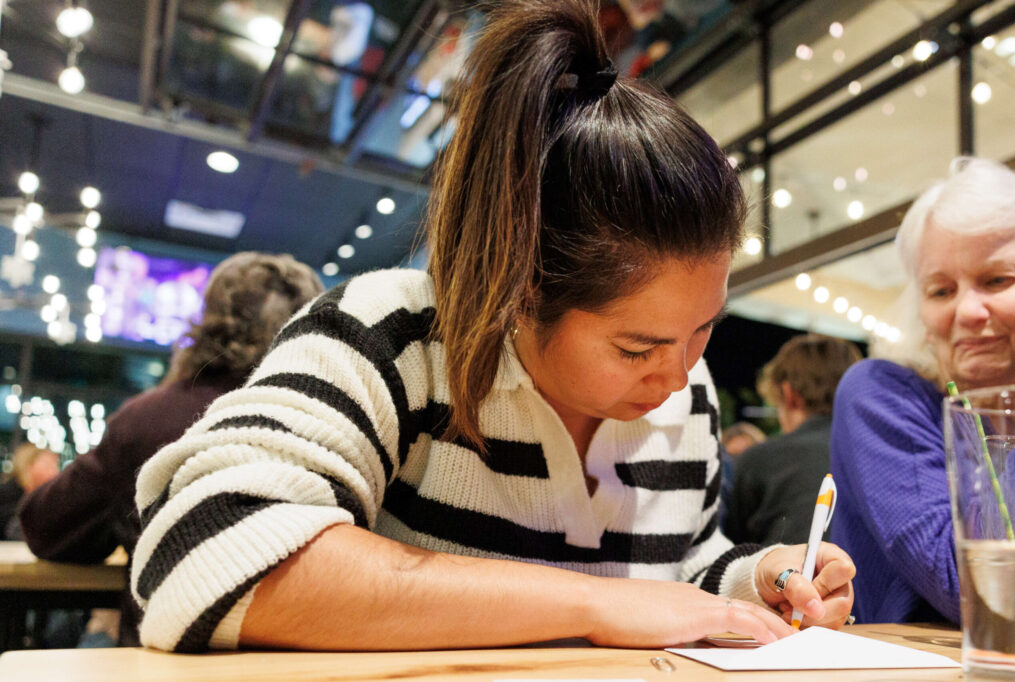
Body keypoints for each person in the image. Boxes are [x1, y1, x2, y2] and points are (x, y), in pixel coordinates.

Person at [130, 0, 855, 654]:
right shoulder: (390, 334)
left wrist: (758, 578)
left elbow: (682, 569)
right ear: (518, 292)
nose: (678, 375)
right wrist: (597, 605)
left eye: (704, 330)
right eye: (637, 347)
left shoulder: (687, 387)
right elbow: (200, 552)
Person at [17, 252, 324, 646]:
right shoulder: (320, 426)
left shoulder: (144, 421)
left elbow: (45, 527)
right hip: (304, 663)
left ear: (206, 322)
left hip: (165, 659)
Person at [830, 156, 1015, 625]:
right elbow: (976, 589)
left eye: (997, 280)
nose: (967, 311)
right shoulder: (883, 394)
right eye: (940, 291)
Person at [724, 335, 862, 545]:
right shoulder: (881, 456)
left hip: (782, 577)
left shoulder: (760, 460)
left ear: (789, 393)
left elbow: (731, 554)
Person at [0, 444, 58, 540]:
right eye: (48, 465)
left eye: (55, 465)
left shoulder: (44, 497)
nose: (55, 471)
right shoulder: (6, 494)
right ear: (28, 465)